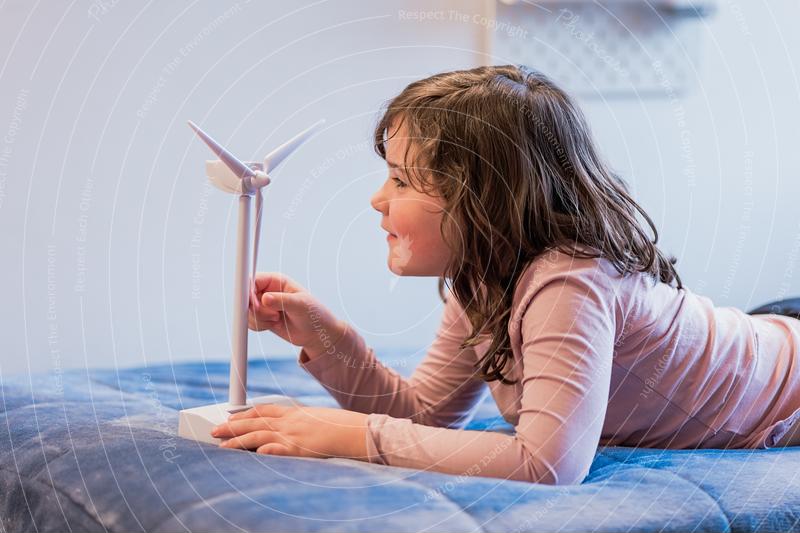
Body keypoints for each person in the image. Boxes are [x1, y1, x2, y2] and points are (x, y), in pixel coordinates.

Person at [210, 65, 800, 486]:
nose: (377, 199)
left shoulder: (568, 280)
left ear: (480, 199)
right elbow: (424, 416)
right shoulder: (485, 276)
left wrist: (351, 435)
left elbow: (548, 464)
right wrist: (328, 339)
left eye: (402, 180)